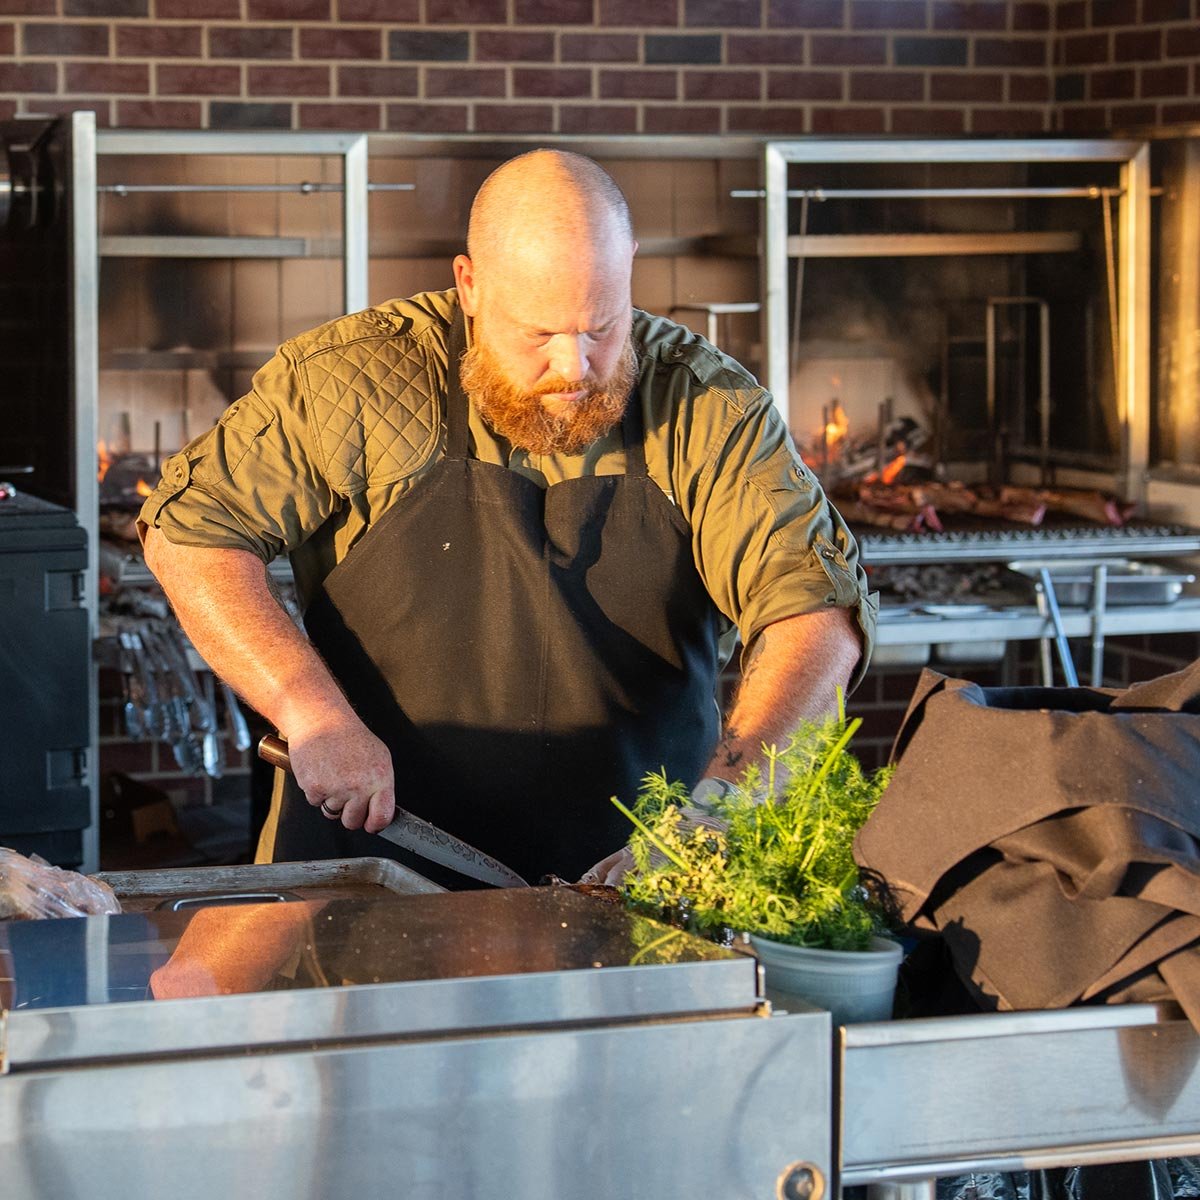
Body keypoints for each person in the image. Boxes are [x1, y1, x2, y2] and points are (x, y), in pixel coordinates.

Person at [139, 149, 875, 889]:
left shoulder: (706, 405)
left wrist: (720, 811)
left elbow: (815, 612)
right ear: (469, 284)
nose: (574, 368)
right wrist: (311, 713)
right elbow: (191, 535)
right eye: (540, 335)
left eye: (601, 328)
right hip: (369, 863)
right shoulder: (354, 382)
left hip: (641, 876)